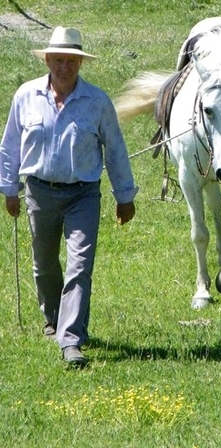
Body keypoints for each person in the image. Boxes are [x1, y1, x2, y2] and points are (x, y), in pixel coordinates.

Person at [0, 26, 138, 368]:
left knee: (80, 265)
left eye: (72, 61)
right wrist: (8, 188)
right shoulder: (26, 96)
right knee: (44, 263)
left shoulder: (97, 102)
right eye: (58, 60)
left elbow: (116, 149)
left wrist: (125, 195)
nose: (65, 67)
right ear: (47, 60)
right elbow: (10, 145)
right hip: (38, 192)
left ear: (81, 63)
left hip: (83, 194)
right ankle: (53, 317)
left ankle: (71, 339)